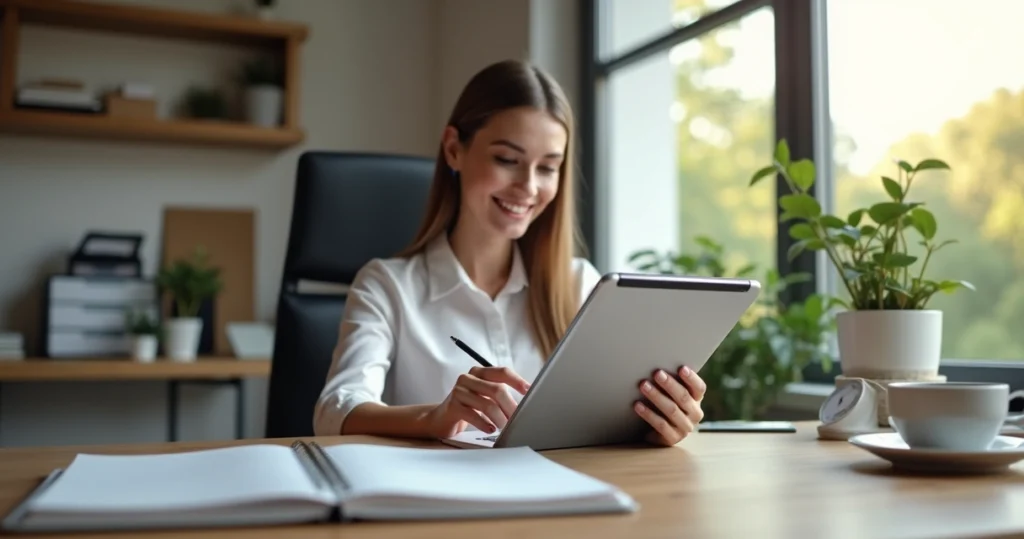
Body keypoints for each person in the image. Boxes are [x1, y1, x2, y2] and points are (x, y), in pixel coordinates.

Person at [312, 59, 706, 446]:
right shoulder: (388, 286)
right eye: (507, 160)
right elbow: (335, 410)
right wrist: (434, 417)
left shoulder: (579, 283)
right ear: (454, 149)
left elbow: (613, 419)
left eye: (548, 168)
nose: (529, 187)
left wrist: (657, 421)